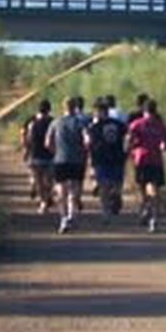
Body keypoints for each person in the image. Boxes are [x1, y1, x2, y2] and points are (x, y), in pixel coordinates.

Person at [126, 98, 166, 233]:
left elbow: (128, 141)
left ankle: (147, 209)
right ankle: (153, 215)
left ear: (144, 110)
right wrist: (164, 146)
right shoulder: (160, 125)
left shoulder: (136, 124)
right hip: (156, 160)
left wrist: (130, 150)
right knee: (154, 188)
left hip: (142, 159)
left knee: (144, 187)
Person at [47, 95, 90, 233]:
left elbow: (48, 142)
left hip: (60, 159)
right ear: (75, 107)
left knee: (61, 191)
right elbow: (87, 140)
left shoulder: (56, 122)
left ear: (63, 107)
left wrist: (56, 151)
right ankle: (72, 215)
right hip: (77, 160)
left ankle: (63, 218)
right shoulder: (80, 122)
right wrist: (84, 151)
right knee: (75, 189)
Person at [86, 98, 127, 220]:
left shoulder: (94, 127)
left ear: (98, 112)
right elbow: (127, 138)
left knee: (103, 186)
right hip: (117, 157)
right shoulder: (119, 124)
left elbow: (89, 144)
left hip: (101, 159)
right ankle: (115, 197)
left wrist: (90, 159)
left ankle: (105, 211)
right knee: (116, 184)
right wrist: (126, 152)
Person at [21, 99, 56, 210]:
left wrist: (26, 150)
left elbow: (27, 138)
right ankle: (47, 196)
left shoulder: (32, 122)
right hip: (50, 156)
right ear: (49, 110)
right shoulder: (53, 122)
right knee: (49, 181)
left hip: (35, 155)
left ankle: (43, 201)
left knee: (39, 181)